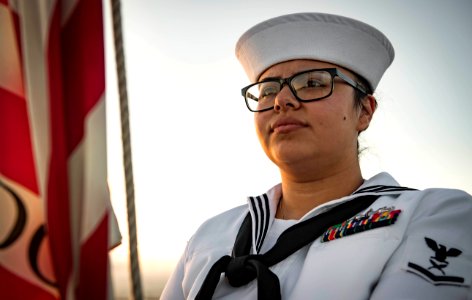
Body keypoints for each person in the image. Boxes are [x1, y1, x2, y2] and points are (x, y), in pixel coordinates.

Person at [161, 12, 472, 300]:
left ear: (364, 111)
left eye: (312, 83)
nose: (281, 100)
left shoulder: (435, 215)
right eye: (267, 90)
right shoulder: (209, 235)